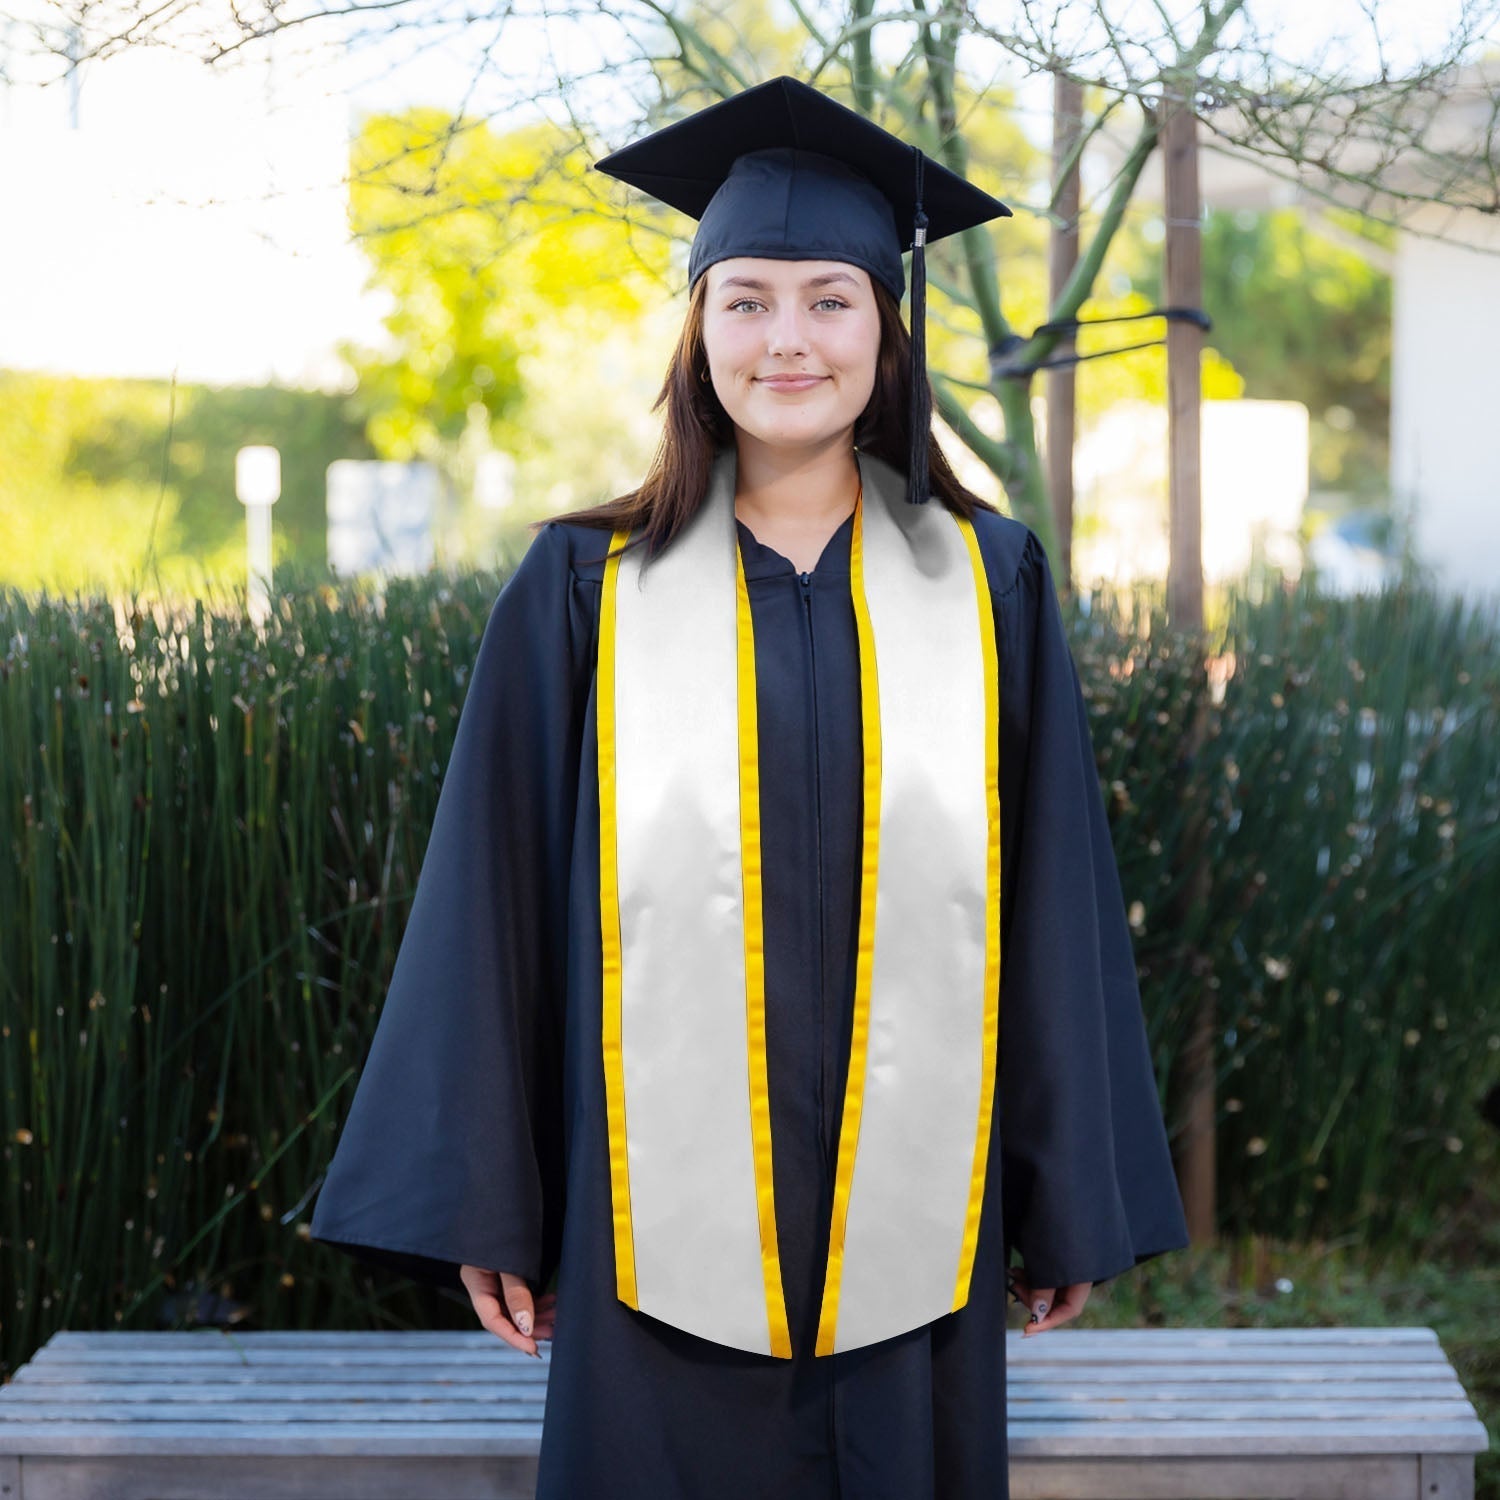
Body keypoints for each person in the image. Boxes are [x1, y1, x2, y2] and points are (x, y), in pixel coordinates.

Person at [309, 74, 1190, 1499]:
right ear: (697, 335)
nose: (790, 340)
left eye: (832, 299)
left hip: (920, 1223)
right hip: (646, 1232)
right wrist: (495, 1196)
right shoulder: (582, 590)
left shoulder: (988, 584)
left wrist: (1063, 1195)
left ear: (888, 334)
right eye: (749, 301)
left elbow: (1053, 900)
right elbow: (495, 900)